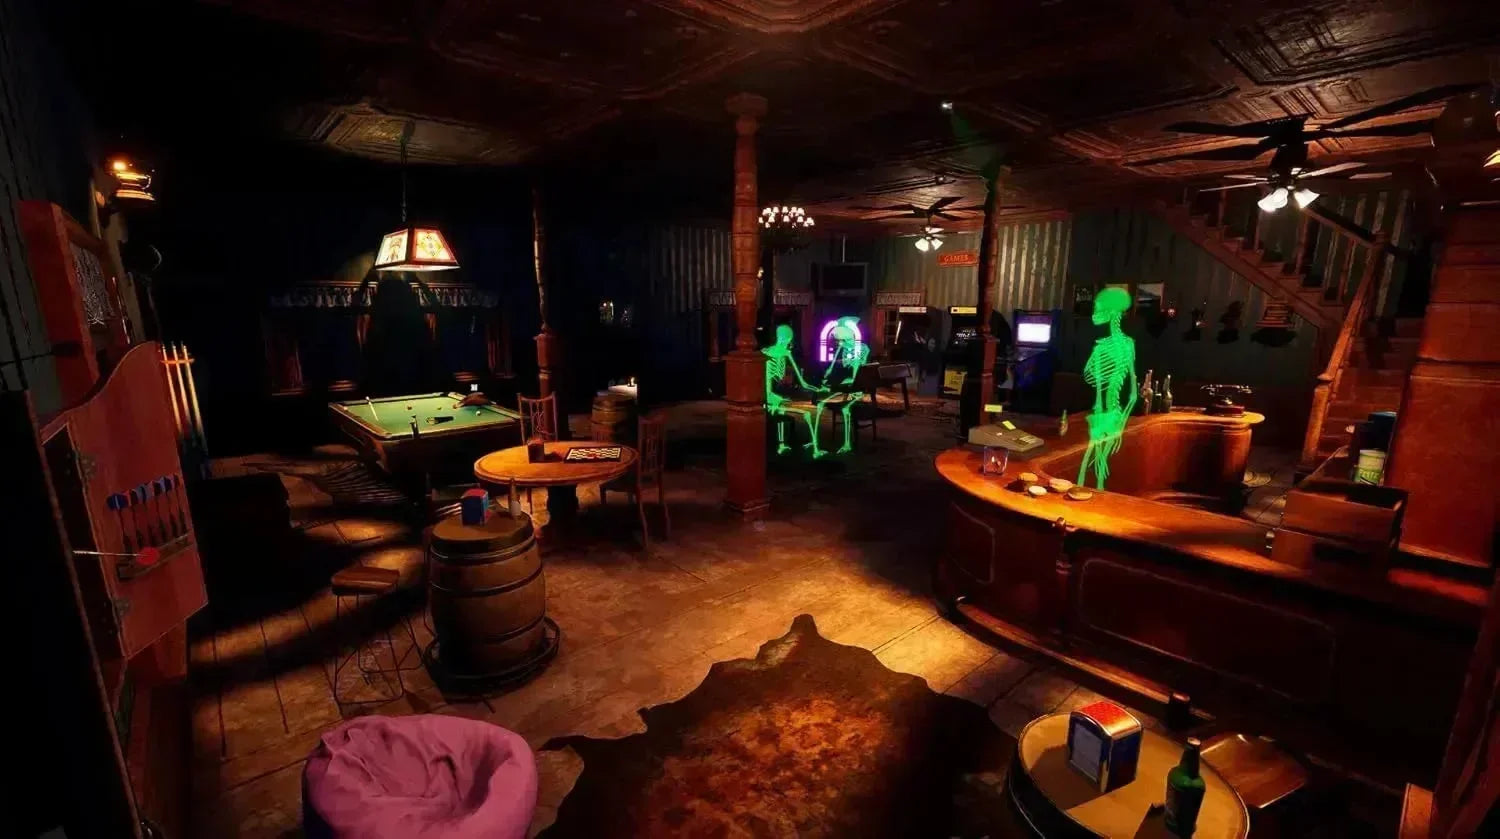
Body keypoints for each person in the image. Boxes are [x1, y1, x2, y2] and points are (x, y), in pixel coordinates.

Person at [762, 324, 825, 456]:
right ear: (784, 339)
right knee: (806, 414)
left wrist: (817, 389)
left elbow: (802, 382)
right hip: (766, 396)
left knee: (782, 408)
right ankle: (816, 450)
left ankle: (782, 445)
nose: (789, 344)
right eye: (788, 341)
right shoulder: (765, 353)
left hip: (776, 396)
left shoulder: (786, 353)